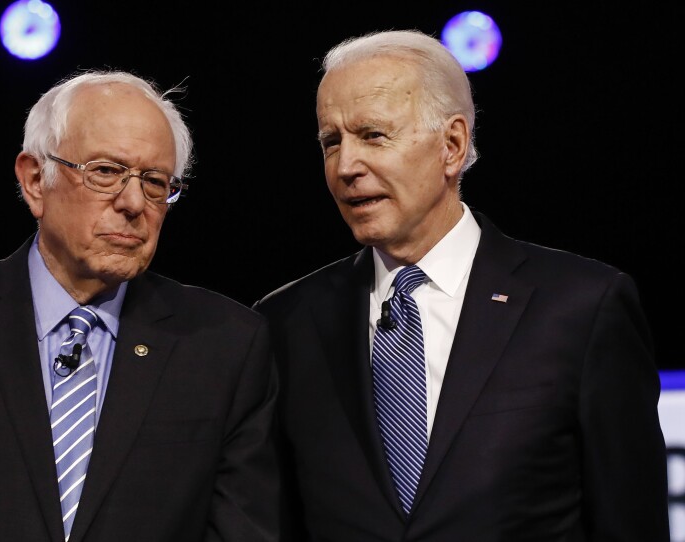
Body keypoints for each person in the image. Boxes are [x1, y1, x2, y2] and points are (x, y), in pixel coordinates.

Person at [253, 29, 670, 541]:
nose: (346, 167)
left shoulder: (582, 309)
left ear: (452, 145)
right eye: (330, 142)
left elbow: (632, 523)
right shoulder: (285, 323)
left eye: (373, 135)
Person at [0, 70, 279, 541]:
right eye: (106, 172)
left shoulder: (225, 345)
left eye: (154, 182)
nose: (133, 202)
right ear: (34, 181)